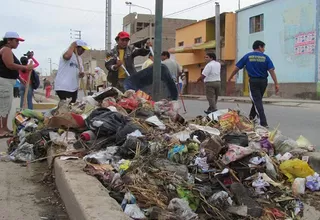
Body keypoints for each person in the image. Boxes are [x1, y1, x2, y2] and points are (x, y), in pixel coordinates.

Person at [228, 40, 279, 128]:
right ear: (259, 47)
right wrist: (276, 83)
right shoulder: (266, 57)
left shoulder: (248, 56)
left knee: (257, 101)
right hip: (263, 82)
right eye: (263, 47)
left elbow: (237, 68)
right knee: (256, 100)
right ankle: (251, 118)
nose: (264, 49)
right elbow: (271, 70)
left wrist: (230, 77)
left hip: (254, 82)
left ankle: (263, 122)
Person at [0, 32, 33, 137]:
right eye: (16, 41)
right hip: (4, 82)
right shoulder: (6, 50)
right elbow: (9, 65)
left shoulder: (8, 50)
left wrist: (19, 78)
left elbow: (9, 67)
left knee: (6, 106)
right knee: (4, 106)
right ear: (9, 40)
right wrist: (25, 68)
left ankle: (4, 128)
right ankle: (2, 130)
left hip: (8, 81)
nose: (18, 43)